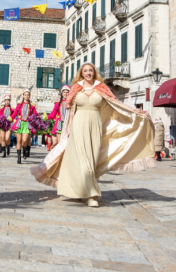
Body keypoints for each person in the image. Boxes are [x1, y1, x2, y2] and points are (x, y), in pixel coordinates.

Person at [31, 62, 155, 207]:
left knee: (92, 158)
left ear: (94, 72)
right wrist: (67, 131)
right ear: (81, 73)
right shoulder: (76, 88)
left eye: (90, 70)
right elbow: (69, 110)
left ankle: (80, 190)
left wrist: (136, 112)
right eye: (85, 71)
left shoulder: (101, 88)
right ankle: (91, 195)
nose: (88, 73)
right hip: (78, 125)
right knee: (82, 159)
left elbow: (117, 105)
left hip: (96, 125)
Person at [10, 89, 38, 164]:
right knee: (18, 141)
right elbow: (15, 113)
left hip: (27, 124)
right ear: (23, 95)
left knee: (25, 140)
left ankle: (25, 150)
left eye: (28, 95)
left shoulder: (32, 106)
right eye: (25, 95)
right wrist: (10, 118)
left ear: (29, 96)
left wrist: (38, 120)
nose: (26, 96)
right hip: (19, 123)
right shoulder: (19, 104)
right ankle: (19, 158)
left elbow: (35, 114)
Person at [45, 85, 70, 151]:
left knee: (68, 143)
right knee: (60, 143)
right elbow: (53, 114)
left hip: (68, 124)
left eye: (67, 92)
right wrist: (45, 117)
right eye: (64, 92)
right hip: (59, 123)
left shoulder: (72, 102)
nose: (65, 93)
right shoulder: (58, 103)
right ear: (62, 93)